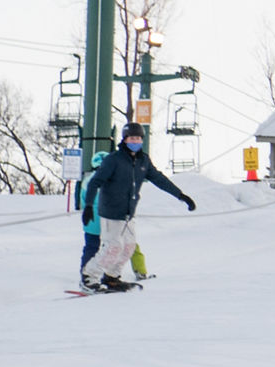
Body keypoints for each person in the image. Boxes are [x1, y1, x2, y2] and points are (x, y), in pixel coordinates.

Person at [78, 124, 193, 293]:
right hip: (111, 212)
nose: (135, 141)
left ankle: (112, 277)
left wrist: (181, 195)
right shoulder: (113, 159)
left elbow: (159, 179)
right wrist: (88, 205)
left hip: (128, 213)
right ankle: (89, 278)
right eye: (132, 138)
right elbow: (96, 182)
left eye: (138, 138)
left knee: (129, 246)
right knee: (113, 246)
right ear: (124, 139)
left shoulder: (143, 161)